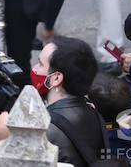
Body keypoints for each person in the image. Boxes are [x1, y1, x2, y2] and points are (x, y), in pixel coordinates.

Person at [34, 37, 106, 167]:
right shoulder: (94, 113)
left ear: (56, 78)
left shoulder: (44, 130)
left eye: (40, 64)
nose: (34, 69)